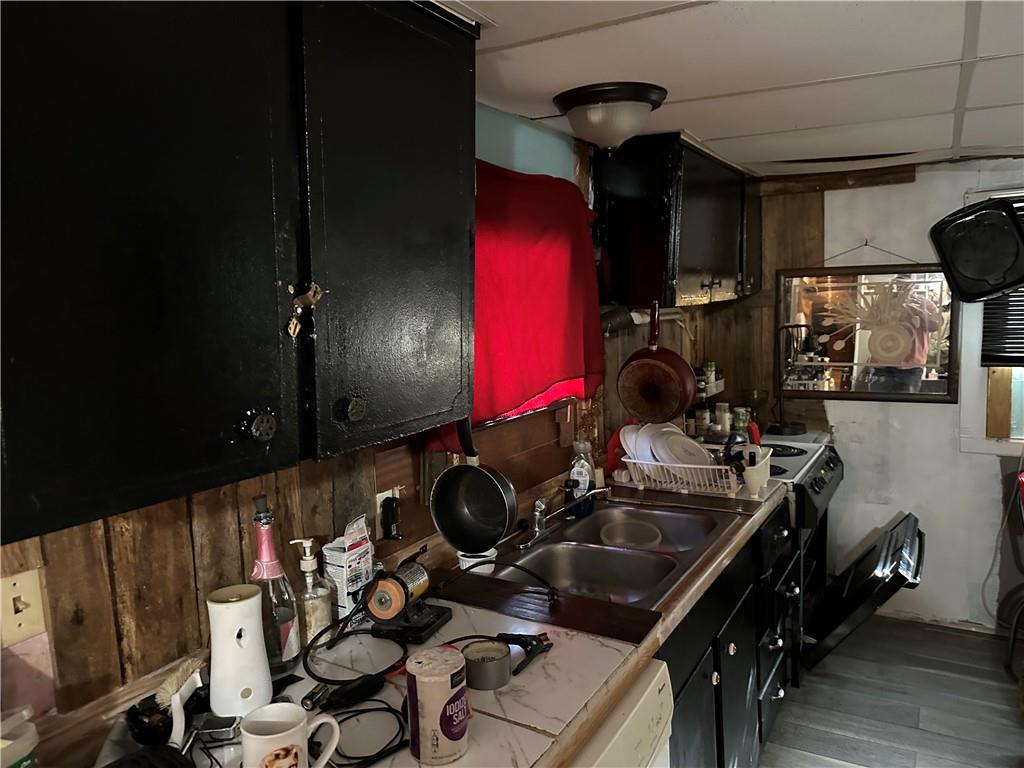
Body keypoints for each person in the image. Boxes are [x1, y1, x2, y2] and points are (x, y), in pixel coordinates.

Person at [864, 289, 942, 393]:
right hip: (882, 363)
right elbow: (866, 324)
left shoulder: (924, 303)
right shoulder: (884, 302)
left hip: (910, 366)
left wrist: (918, 311)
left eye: (905, 282)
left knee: (905, 406)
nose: (900, 286)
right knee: (877, 405)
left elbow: (936, 324)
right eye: (898, 281)